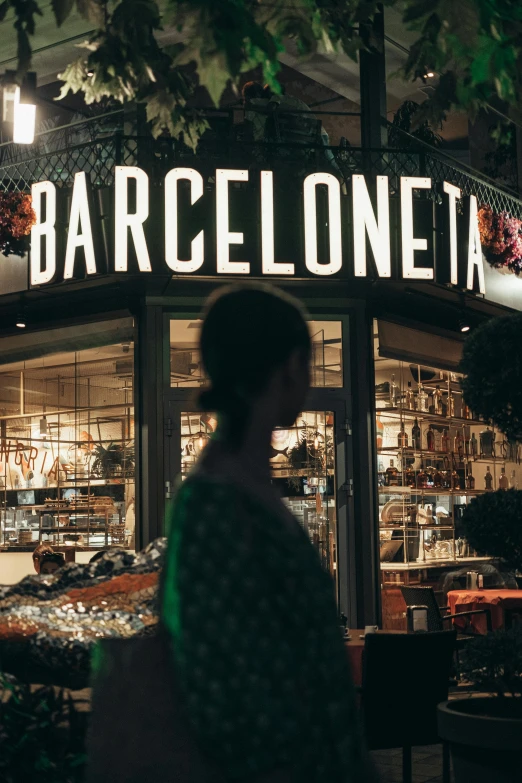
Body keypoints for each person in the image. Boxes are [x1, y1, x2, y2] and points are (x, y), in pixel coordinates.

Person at [161, 284, 374, 783]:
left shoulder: (235, 484)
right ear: (289, 366)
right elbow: (225, 687)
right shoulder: (217, 501)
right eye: (309, 362)